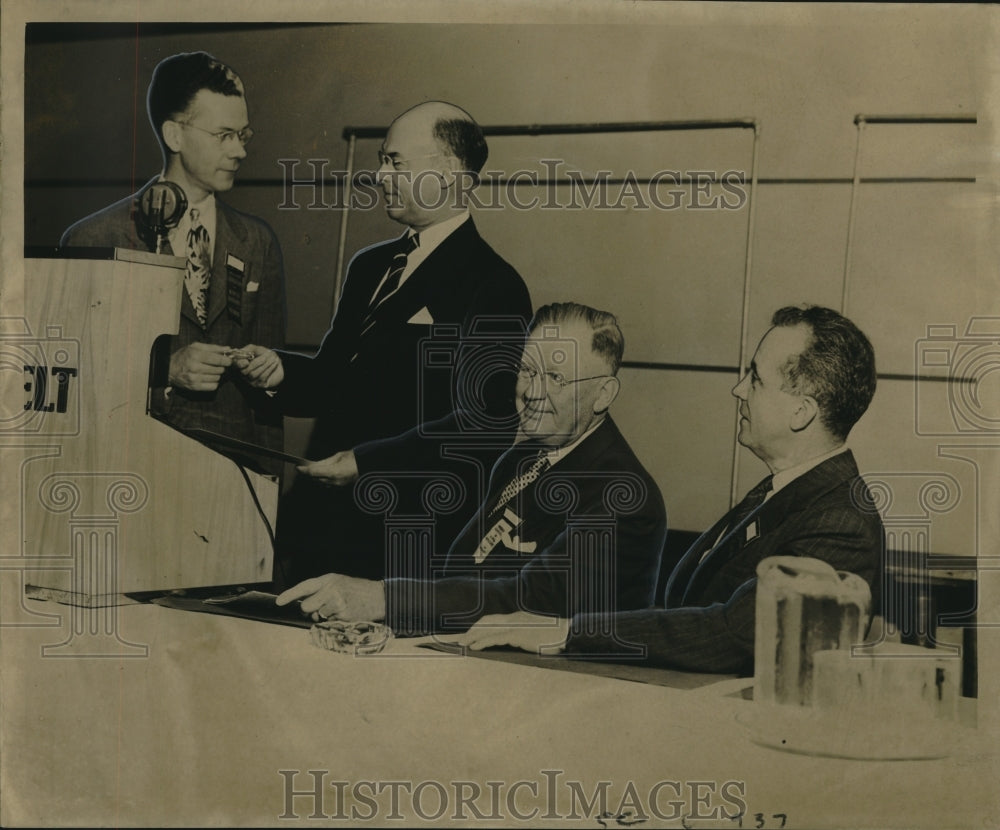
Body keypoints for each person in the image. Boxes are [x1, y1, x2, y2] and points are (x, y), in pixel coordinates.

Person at [454, 305, 885, 675]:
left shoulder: (839, 520)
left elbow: (736, 633)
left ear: (801, 411)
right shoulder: (785, 492)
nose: (738, 390)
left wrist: (565, 631)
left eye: (754, 379)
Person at [245, 101, 532, 583]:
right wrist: (281, 370)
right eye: (381, 159)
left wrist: (366, 462)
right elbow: (334, 376)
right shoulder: (369, 266)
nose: (379, 175)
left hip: (404, 536)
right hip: (324, 525)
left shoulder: (495, 284)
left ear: (445, 173)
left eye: (395, 162)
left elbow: (486, 424)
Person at [275, 302, 666, 635]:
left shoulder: (625, 496)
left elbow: (531, 600)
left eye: (556, 378)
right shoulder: (521, 458)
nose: (531, 392)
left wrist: (383, 598)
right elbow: (460, 573)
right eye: (528, 370)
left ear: (603, 394)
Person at [60, 51, 285, 472]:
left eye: (243, 135)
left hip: (230, 479)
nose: (239, 151)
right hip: (128, 466)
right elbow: (70, 373)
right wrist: (164, 369)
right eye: (224, 135)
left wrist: (268, 488)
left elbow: (268, 402)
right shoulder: (92, 238)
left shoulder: (258, 242)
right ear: (175, 135)